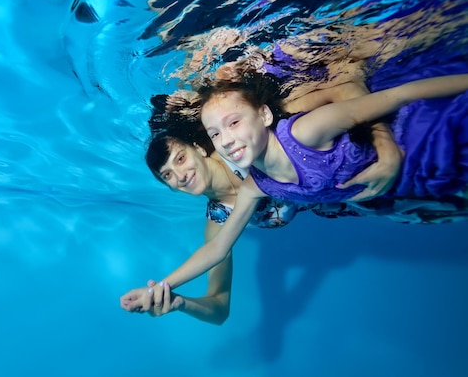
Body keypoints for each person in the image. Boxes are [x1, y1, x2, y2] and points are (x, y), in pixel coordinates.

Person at [121, 78, 467, 322]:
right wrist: (170, 295)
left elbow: (352, 89)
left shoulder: (261, 138)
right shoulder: (237, 202)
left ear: (198, 147)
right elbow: (218, 288)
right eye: (167, 175)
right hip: (367, 198)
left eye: (179, 159)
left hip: (395, 147)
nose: (179, 175)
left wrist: (385, 147)